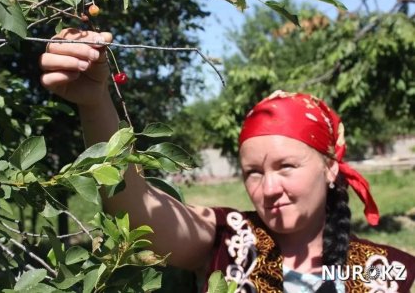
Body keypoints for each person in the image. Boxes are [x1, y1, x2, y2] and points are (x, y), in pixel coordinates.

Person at [40, 29, 414, 293]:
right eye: (253, 172)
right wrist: (95, 104)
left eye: (286, 167)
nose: (268, 189)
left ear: (330, 166)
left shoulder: (389, 271)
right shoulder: (230, 238)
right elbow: (139, 206)